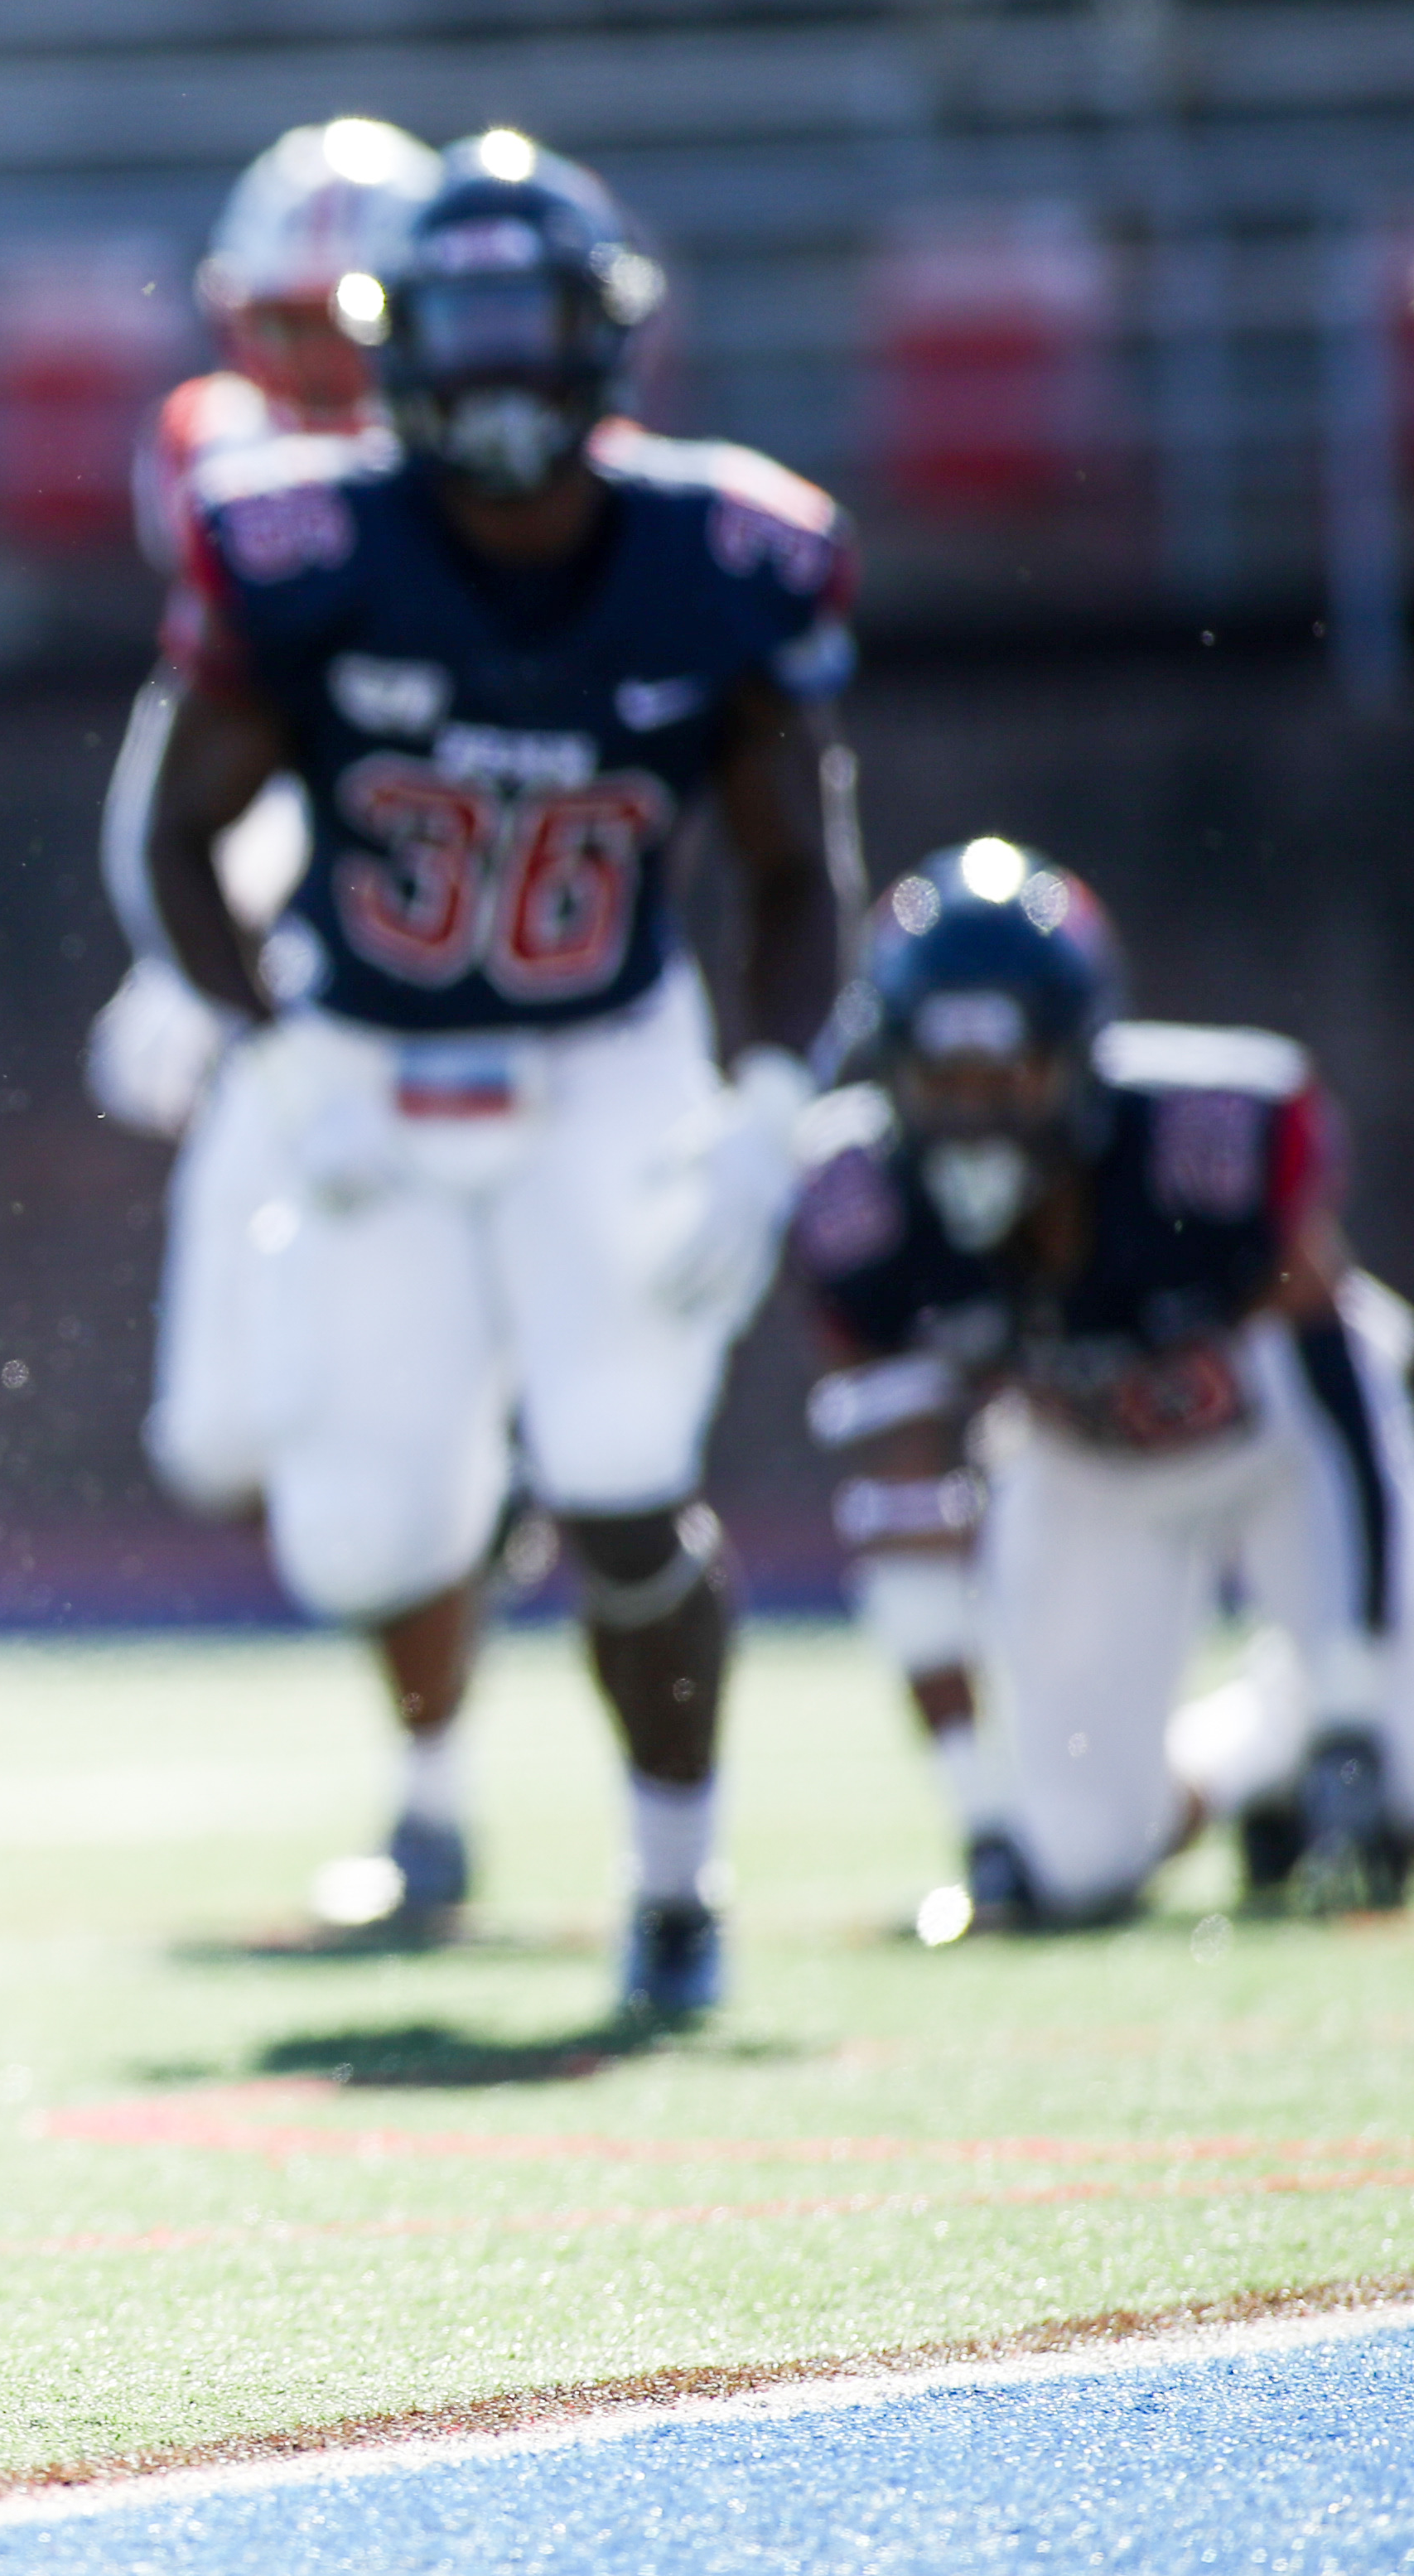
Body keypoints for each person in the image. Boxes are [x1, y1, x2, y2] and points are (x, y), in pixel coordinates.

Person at [139, 131, 858, 2015]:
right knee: (362, 1534)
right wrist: (273, 1053)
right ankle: (465, 1548)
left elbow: (793, 878)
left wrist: (768, 1113)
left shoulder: (726, 553)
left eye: (522, 327)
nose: (491, 375)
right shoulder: (296, 543)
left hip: (606, 1062)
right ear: (390, 349)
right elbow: (168, 836)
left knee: (623, 1475)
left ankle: (675, 1893)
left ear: (603, 340)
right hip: (371, 1065)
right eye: (451, 330)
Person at [791, 839, 1412, 1932]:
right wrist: (979, 1815)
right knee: (1073, 1860)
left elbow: (1337, 1391)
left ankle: (1326, 1707)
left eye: (1008, 1075)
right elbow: (901, 1504)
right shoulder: (863, 1211)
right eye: (943, 1080)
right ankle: (1254, 1756)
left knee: (1399, 1785)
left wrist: (1358, 1705)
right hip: (1089, 1472)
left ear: (1080, 1056)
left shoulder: (1208, 1141)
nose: (976, 1113)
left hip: (1282, 1444)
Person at [85, 123, 435, 1530]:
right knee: (222, 1445)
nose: (311, 364)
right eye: (281, 323)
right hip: (295, 906)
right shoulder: (211, 456)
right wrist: (184, 950)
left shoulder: (501, 478)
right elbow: (229, 735)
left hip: (461, 914)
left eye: (342, 326)